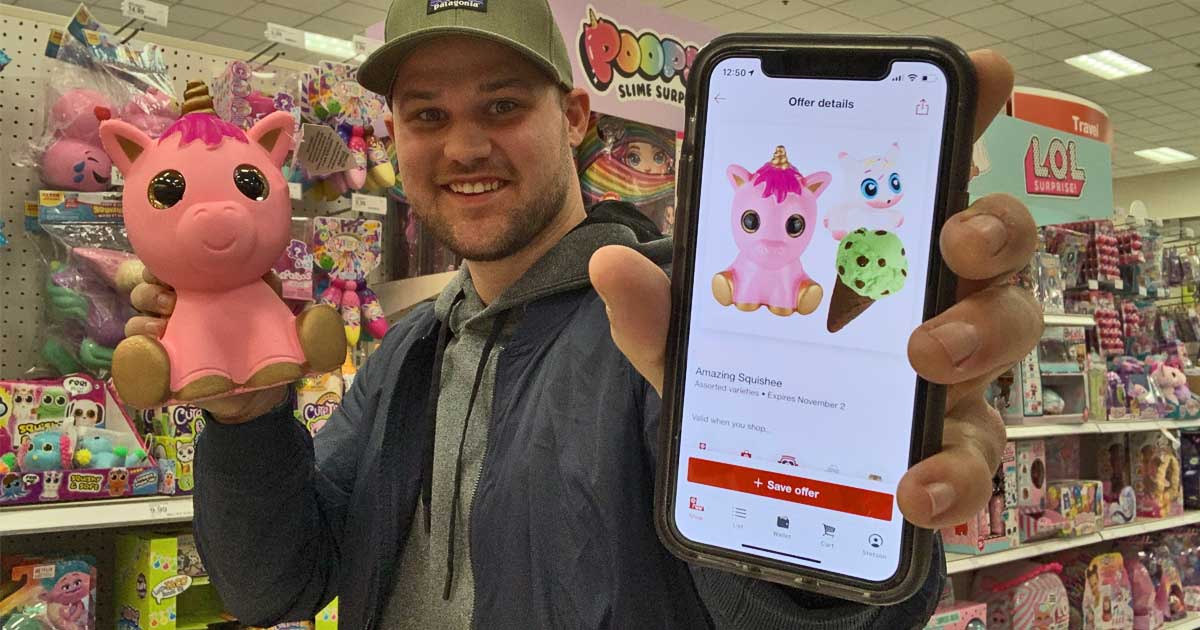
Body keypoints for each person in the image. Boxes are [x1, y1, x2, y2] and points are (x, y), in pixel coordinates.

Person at [126, 0, 1042, 627]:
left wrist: (835, 513)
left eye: (502, 105)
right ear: (395, 135)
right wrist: (245, 423)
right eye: (426, 115)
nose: (465, 145)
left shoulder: (679, 328)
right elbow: (274, 583)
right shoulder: (408, 350)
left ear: (573, 115)